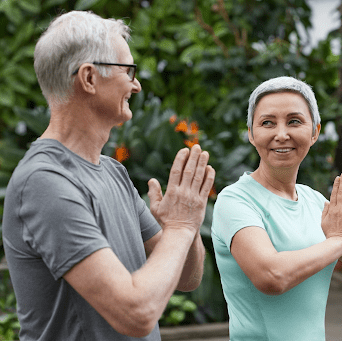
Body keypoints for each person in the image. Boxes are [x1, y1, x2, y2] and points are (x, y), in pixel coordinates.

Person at [2, 11, 215, 341]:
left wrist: (184, 225)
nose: (137, 84)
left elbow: (186, 278)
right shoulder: (45, 182)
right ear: (89, 78)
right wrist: (182, 226)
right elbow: (136, 314)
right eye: (128, 70)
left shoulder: (113, 172)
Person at [211, 76, 342, 341]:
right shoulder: (236, 200)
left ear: (315, 132)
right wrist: (340, 240)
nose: (281, 134)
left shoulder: (313, 201)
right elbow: (271, 276)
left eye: (294, 121)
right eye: (267, 123)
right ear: (252, 134)